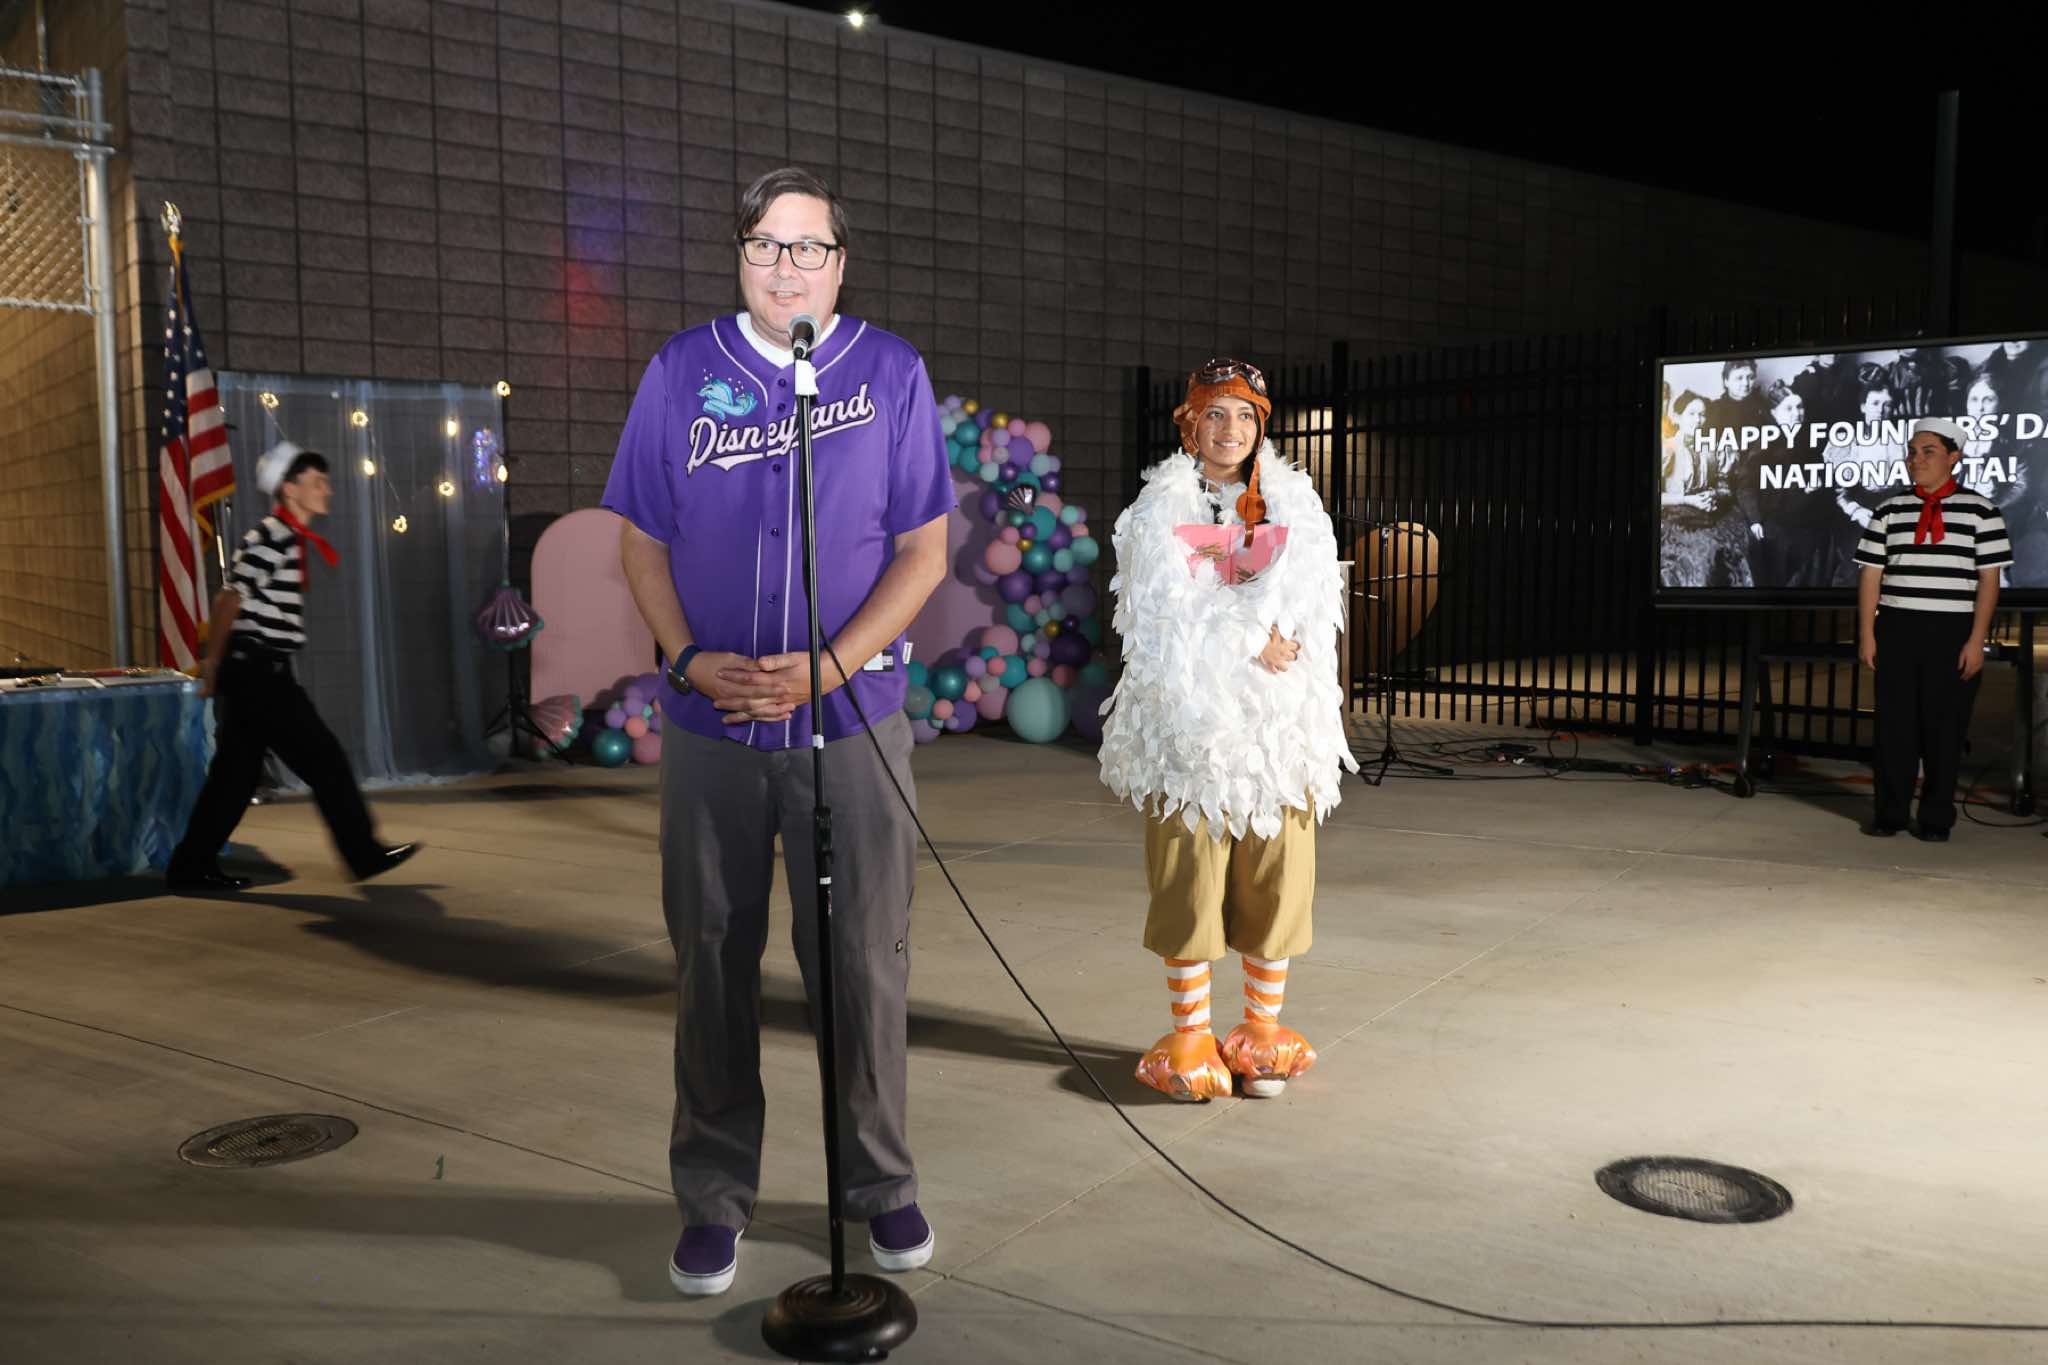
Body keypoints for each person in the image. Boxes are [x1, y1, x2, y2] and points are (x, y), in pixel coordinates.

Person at [603, 167, 954, 1298]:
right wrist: (684, 659)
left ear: (840, 263)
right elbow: (641, 540)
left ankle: (878, 1183)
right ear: (738, 255)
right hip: (711, 726)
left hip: (851, 725)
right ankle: (713, 1195)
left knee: (861, 962)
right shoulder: (680, 371)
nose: (785, 267)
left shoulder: (889, 372)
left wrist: (827, 669)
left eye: (808, 247)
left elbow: (923, 553)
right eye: (764, 244)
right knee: (710, 957)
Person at [1098, 358, 1359, 1102]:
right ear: (1190, 424)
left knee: (1277, 878)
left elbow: (1314, 602)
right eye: (1215, 413)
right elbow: (1162, 615)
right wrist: (1251, 640)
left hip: (1276, 735)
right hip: (1191, 738)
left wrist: (1284, 638)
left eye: (1245, 416)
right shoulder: (1158, 509)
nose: (1230, 429)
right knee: (1189, 882)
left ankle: (1261, 1035)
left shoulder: (1296, 505)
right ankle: (1190, 1037)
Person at [166, 443, 418, 890]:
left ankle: (190, 867)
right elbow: (228, 599)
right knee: (325, 760)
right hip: (258, 672)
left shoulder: (285, 537)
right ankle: (362, 854)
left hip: (257, 669)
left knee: (235, 777)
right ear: (290, 489)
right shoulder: (273, 535)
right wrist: (214, 664)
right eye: (317, 482)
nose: (327, 490)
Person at [1854, 417, 2011, 842]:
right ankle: (1890, 813)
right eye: (1912, 452)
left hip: (1952, 630)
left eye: (1928, 452)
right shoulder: (1889, 510)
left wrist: (1976, 640)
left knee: (1945, 729)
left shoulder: (1982, 511)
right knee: (1894, 728)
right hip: (1897, 626)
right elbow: (1871, 574)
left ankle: (1936, 818)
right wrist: (1868, 633)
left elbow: (1989, 580)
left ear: (1953, 457)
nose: (1916, 460)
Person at [1659, 389, 1750, 588]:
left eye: (1701, 415)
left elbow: (1724, 486)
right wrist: (1688, 500)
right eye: (1691, 414)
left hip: (1707, 511)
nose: (1697, 420)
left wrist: (1714, 494)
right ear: (1677, 417)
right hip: (1674, 517)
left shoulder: (1711, 448)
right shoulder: (1666, 448)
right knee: (1704, 552)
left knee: (1736, 543)